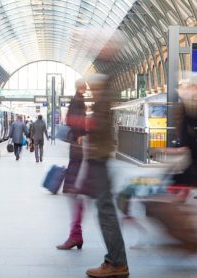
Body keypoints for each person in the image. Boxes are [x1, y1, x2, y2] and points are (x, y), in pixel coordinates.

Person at [83, 74, 129, 278]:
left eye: (93, 86)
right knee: (104, 210)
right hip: (100, 159)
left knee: (106, 211)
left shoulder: (103, 102)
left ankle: (116, 263)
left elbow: (98, 127)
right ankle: (116, 261)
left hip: (101, 159)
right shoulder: (101, 102)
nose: (90, 89)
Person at [56, 78, 87, 250]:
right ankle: (76, 236)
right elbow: (75, 119)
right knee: (75, 194)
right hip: (79, 147)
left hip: (80, 150)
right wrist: (80, 133)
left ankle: (76, 236)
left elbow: (71, 119)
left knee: (75, 193)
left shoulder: (77, 100)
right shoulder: (78, 101)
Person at [172, 72, 197, 195]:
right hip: (189, 139)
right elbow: (181, 122)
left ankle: (182, 192)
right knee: (187, 168)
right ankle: (182, 192)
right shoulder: (186, 99)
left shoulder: (186, 98)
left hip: (190, 139)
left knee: (188, 168)